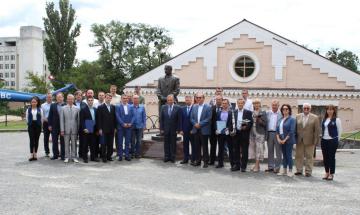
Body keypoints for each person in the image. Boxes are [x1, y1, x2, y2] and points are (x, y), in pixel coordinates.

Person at [295, 103, 320, 177]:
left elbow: (317, 131)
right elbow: (295, 128)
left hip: (310, 141)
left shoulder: (315, 118)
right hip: (299, 140)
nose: (306, 110)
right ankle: (299, 170)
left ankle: (308, 171)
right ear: (302, 109)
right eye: (304, 108)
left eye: (307, 108)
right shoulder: (297, 116)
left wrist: (315, 141)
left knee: (309, 156)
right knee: (299, 156)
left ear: (310, 109)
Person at [190, 92, 212, 168]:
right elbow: (191, 118)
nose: (198, 99)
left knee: (205, 146)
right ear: (196, 98)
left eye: (200, 97)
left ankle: (206, 161)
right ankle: (198, 161)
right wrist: (195, 124)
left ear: (203, 98)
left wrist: (200, 124)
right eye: (197, 98)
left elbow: (209, 118)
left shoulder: (208, 107)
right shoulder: (194, 106)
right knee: (197, 146)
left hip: (204, 129)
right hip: (196, 129)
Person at [321, 105, 342, 181]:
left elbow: (340, 131)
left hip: (332, 140)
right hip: (324, 139)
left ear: (334, 111)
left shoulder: (337, 120)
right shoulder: (324, 119)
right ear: (326, 111)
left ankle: (331, 173)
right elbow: (322, 129)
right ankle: (326, 172)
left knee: (331, 157)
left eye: (331, 110)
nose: (329, 111)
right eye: (328, 110)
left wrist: (336, 140)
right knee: (325, 157)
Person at [232, 98, 253, 172]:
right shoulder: (233, 112)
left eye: (241, 103)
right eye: (239, 103)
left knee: (244, 150)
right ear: (237, 104)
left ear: (243, 104)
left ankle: (243, 166)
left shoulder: (248, 112)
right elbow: (231, 122)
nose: (240, 104)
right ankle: (237, 165)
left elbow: (251, 123)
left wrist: (246, 127)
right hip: (236, 133)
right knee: (236, 150)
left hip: (244, 133)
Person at [160, 94, 182, 163]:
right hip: (166, 129)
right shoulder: (163, 107)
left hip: (174, 130)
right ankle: (166, 156)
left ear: (173, 100)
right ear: (167, 100)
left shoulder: (178, 108)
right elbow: (161, 119)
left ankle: (172, 157)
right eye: (168, 100)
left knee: (173, 143)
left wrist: (178, 129)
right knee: (166, 143)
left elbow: (179, 120)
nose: (169, 101)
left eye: (171, 100)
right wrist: (162, 128)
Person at [276, 104, 296, 177]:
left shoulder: (292, 119)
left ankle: (290, 171)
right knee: (284, 156)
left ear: (289, 110)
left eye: (286, 109)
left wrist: (284, 139)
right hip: (281, 140)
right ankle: (284, 170)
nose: (285, 110)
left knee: (289, 155)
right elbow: (277, 130)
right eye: (283, 109)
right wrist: (278, 139)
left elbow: (291, 131)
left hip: (288, 140)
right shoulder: (280, 119)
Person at [248, 99, 267, 172]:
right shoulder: (252, 112)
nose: (256, 105)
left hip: (260, 133)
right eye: (254, 103)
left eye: (257, 103)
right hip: (252, 133)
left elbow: (265, 124)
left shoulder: (263, 113)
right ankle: (257, 165)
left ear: (260, 104)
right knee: (254, 149)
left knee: (259, 149)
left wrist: (259, 120)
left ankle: (256, 165)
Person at [60, 94, 80, 163]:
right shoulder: (63, 108)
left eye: (71, 99)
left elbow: (78, 120)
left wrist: (78, 129)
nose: (70, 100)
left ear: (73, 100)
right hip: (66, 129)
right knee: (66, 144)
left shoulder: (77, 108)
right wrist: (62, 130)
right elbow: (62, 120)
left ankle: (74, 157)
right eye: (69, 99)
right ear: (67, 100)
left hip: (74, 129)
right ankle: (67, 157)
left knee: (74, 143)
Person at [97, 93, 116, 162]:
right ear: (105, 98)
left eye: (110, 98)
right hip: (103, 129)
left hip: (111, 129)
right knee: (103, 144)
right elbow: (98, 119)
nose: (109, 99)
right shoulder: (100, 107)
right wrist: (99, 129)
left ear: (111, 99)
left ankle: (109, 156)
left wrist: (115, 128)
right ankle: (104, 157)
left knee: (110, 144)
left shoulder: (113, 107)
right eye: (107, 98)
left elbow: (114, 118)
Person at [116, 94, 135, 161]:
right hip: (121, 127)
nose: (125, 99)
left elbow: (133, 116)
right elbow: (117, 116)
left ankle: (127, 155)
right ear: (121, 99)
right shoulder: (118, 106)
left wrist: (131, 123)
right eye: (124, 98)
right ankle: (120, 155)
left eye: (126, 98)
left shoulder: (131, 106)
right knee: (120, 142)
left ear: (128, 99)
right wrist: (122, 123)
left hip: (129, 127)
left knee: (127, 142)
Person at [215, 98, 233, 168]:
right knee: (220, 148)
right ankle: (220, 163)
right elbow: (216, 122)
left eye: (226, 103)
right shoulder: (218, 113)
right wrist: (216, 129)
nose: (224, 105)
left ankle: (232, 164)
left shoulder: (231, 112)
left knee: (230, 149)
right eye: (223, 103)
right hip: (220, 133)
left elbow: (232, 123)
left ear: (228, 104)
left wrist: (229, 128)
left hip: (228, 133)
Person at [80, 97, 99, 163]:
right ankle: (85, 158)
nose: (90, 101)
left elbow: (97, 120)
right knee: (85, 144)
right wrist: (84, 128)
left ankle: (93, 157)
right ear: (87, 102)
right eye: (89, 100)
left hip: (94, 129)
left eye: (91, 100)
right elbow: (82, 120)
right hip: (87, 129)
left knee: (93, 144)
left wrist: (97, 129)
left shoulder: (95, 109)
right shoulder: (83, 110)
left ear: (93, 101)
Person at [266, 99, 282, 173]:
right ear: (271, 105)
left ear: (278, 106)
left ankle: (277, 167)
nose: (274, 106)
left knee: (278, 151)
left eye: (276, 105)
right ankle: (270, 166)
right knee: (270, 150)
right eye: (273, 105)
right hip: (269, 133)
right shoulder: (268, 113)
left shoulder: (281, 114)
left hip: (277, 134)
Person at [48, 92, 66, 160]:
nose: (59, 98)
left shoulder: (66, 105)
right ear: (56, 98)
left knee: (63, 142)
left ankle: (63, 155)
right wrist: (49, 125)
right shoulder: (53, 105)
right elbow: (50, 116)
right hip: (54, 126)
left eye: (60, 97)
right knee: (54, 141)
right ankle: (55, 155)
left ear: (63, 98)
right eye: (58, 97)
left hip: (63, 127)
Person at [26, 96, 43, 161]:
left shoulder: (40, 109)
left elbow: (41, 118)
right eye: (32, 102)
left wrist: (40, 126)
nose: (33, 103)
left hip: (38, 125)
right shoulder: (28, 109)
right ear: (31, 102)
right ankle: (31, 154)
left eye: (35, 102)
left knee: (36, 140)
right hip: (31, 125)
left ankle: (35, 154)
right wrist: (29, 124)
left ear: (37, 102)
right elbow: (27, 118)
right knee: (31, 140)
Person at [180, 95, 195, 164]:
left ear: (191, 100)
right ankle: (185, 159)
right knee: (185, 145)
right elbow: (181, 120)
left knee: (193, 145)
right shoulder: (182, 108)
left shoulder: (195, 108)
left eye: (188, 100)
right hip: (185, 131)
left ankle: (193, 159)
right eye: (186, 100)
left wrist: (194, 129)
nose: (187, 101)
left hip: (192, 131)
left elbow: (196, 120)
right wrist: (181, 130)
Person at [131, 95, 146, 159]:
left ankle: (137, 153)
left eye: (137, 98)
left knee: (139, 141)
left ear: (139, 100)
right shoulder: (130, 107)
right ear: (132, 100)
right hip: (132, 127)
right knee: (132, 141)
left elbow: (144, 117)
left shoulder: (142, 107)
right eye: (134, 99)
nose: (135, 100)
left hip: (140, 127)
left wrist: (144, 125)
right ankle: (132, 153)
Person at [209, 94, 223, 165]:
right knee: (213, 146)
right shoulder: (212, 108)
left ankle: (220, 162)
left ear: (222, 100)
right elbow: (210, 119)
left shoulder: (224, 108)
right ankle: (212, 160)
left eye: (219, 99)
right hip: (213, 130)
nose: (218, 101)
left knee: (221, 146)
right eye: (217, 100)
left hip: (221, 129)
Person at [41, 92, 53, 157]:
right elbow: (42, 115)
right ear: (46, 98)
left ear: (52, 97)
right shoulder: (43, 105)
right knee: (46, 138)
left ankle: (55, 151)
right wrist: (45, 120)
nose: (49, 98)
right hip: (46, 122)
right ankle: (47, 152)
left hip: (53, 123)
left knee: (54, 137)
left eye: (50, 97)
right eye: (48, 97)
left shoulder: (54, 104)